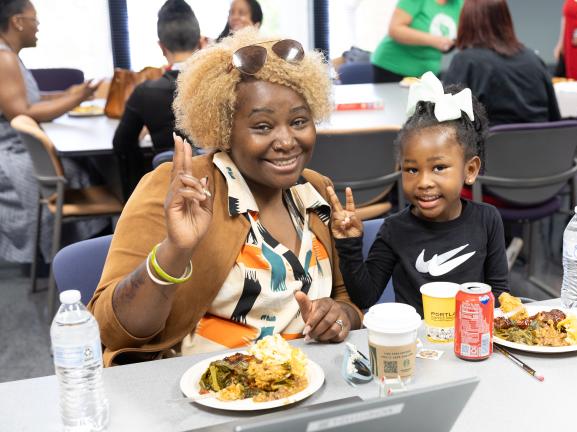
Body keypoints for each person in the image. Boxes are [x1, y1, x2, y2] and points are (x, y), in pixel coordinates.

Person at [88, 28, 363, 366]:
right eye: (263, 126)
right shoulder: (178, 189)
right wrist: (175, 251)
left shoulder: (316, 191)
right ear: (223, 129)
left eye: (299, 121)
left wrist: (339, 317)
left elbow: (347, 299)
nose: (287, 140)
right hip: (205, 392)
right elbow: (111, 330)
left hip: (309, 383)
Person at [330, 72, 509, 316]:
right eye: (412, 169)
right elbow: (366, 296)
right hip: (416, 347)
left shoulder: (487, 220)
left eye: (439, 168)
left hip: (470, 341)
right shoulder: (395, 230)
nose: (424, 182)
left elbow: (498, 293)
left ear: (470, 170)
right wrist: (349, 245)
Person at [0, 0, 106, 265]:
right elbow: (21, 111)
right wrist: (74, 99)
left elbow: (30, 98)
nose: (38, 27)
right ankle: (87, 255)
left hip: (19, 146)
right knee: (84, 169)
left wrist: (67, 94)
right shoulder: (3, 58)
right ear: (17, 21)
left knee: (88, 164)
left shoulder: (10, 56)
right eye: (34, 20)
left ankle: (86, 250)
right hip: (13, 153)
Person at [112, 0, 201, 201]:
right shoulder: (219, 86)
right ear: (199, 42)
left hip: (164, 194)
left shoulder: (145, 93)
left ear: (162, 47)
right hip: (220, 190)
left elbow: (121, 144)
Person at [444, 0, 560, 125]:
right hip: (543, 143)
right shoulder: (534, 60)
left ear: (466, 22)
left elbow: (444, 121)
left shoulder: (465, 62)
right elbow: (555, 120)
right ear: (505, 20)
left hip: (489, 143)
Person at [371, 0, 463, 83]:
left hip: (428, 74)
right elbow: (395, 29)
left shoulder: (460, 3)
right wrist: (435, 40)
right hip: (392, 68)